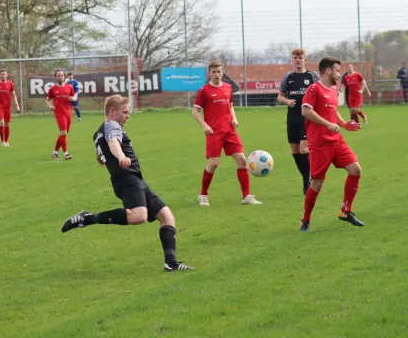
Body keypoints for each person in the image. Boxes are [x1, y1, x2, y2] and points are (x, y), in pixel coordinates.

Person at [60, 95, 193, 272]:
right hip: (127, 179)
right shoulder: (112, 125)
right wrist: (121, 156)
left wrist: (103, 157)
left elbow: (101, 149)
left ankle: (171, 263)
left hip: (136, 179)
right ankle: (86, 219)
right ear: (112, 112)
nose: (128, 116)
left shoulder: (99, 131)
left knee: (166, 216)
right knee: (138, 216)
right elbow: (113, 142)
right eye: (125, 112)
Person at [299, 57, 363, 231]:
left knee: (355, 169)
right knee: (317, 183)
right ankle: (305, 219)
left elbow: (332, 112)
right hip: (319, 144)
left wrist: (344, 124)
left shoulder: (334, 90)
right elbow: (306, 111)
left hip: (337, 141)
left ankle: (345, 210)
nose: (339, 74)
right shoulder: (314, 89)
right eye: (336, 70)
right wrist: (327, 124)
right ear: (328, 71)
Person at [192, 62, 262, 206]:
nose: (217, 74)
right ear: (209, 73)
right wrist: (204, 125)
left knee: (242, 160)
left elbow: (230, 106)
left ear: (222, 72)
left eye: (219, 72)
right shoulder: (204, 90)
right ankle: (203, 195)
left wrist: (234, 118)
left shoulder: (228, 87)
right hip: (213, 132)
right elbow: (195, 111)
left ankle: (246, 196)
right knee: (214, 163)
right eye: (214, 72)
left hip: (230, 130)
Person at [277, 48, 320, 195]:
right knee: (295, 150)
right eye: (295, 57)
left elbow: (321, 93)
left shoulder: (313, 76)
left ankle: (307, 180)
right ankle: (306, 178)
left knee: (304, 149)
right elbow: (280, 97)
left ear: (305, 60)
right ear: (292, 60)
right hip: (292, 118)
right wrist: (287, 101)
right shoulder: (288, 77)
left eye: (300, 58)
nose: (297, 60)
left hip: (307, 118)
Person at [46, 70, 76, 160]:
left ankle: (55, 152)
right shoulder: (53, 89)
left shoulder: (69, 87)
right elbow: (47, 99)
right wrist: (50, 105)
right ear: (56, 77)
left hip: (69, 113)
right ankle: (66, 154)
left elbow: (74, 97)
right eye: (58, 76)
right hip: (59, 113)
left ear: (64, 76)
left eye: (61, 75)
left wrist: (73, 99)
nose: (60, 77)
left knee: (64, 134)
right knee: (63, 133)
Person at [0, 69, 20, 146]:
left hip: (7, 106)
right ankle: (2, 141)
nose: (3, 75)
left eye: (4, 74)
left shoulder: (10, 84)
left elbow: (14, 95)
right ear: (0, 75)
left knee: (7, 124)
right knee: (1, 122)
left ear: (7, 75)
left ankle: (6, 141)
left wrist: (17, 105)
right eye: (2, 74)